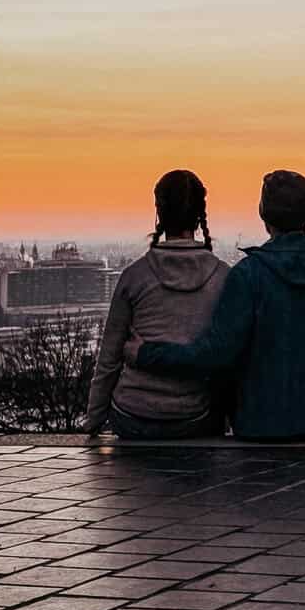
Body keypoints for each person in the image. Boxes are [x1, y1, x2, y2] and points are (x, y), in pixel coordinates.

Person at [125, 169, 305, 442]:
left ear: (264, 216)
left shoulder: (248, 275)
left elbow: (215, 353)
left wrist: (147, 353)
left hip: (262, 425)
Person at [85, 169, 230, 439]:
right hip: (194, 417)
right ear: (200, 215)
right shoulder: (223, 276)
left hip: (132, 416)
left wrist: (93, 419)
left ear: (159, 212)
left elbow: (109, 358)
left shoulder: (134, 276)